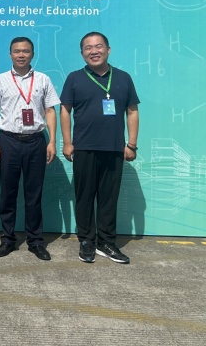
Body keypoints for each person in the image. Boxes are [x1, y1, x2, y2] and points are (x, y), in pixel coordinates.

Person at [60, 31, 140, 264]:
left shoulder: (123, 78)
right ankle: (86, 241)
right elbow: (65, 110)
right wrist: (67, 142)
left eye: (98, 46)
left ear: (108, 49)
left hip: (114, 148)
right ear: (82, 53)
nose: (94, 51)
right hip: (84, 148)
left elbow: (132, 111)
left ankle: (106, 242)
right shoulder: (74, 78)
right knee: (84, 197)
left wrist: (131, 144)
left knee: (109, 198)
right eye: (88, 48)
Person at [0, 37, 59, 259]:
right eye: (17, 51)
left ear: (32, 54)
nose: (21, 55)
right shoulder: (0, 80)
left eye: (26, 51)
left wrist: (52, 141)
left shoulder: (43, 79)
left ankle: (35, 241)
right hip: (8, 141)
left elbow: (50, 111)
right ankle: (7, 239)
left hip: (36, 141)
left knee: (33, 194)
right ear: (10, 54)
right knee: (7, 193)